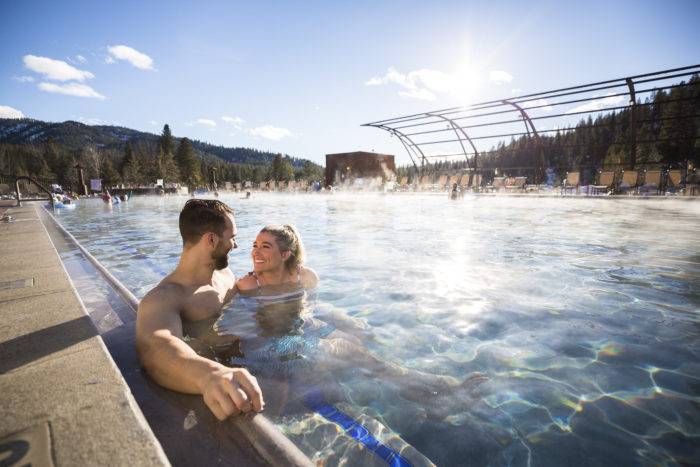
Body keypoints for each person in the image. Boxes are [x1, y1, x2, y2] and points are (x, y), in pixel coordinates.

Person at [136, 199, 264, 420]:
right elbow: (157, 347)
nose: (235, 245)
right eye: (232, 238)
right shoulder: (165, 298)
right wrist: (210, 375)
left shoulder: (225, 276)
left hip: (250, 357)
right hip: (220, 367)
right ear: (211, 239)